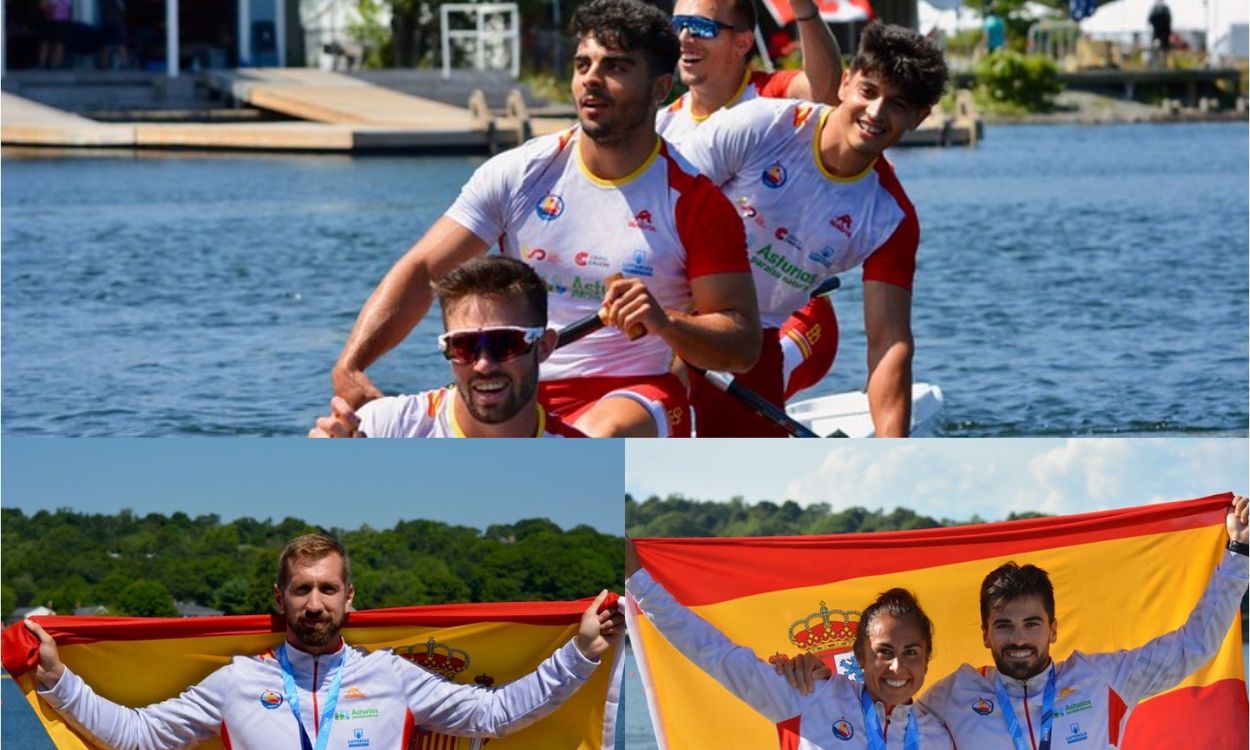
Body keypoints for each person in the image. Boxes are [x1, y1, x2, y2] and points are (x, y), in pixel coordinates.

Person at [331, 0, 760, 438]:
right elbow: (423, 270)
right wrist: (351, 366)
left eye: (616, 66)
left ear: (659, 87)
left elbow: (742, 345)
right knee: (349, 431)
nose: (591, 78)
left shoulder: (696, 203)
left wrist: (666, 321)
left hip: (633, 392)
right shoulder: (519, 173)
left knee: (596, 437)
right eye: (582, 64)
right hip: (513, 377)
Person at [25, 533, 623, 750]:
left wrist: (581, 653)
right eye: (302, 589)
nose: (315, 604)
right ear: (280, 597)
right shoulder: (237, 681)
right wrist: (55, 678)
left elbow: (495, 714)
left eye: (327, 589)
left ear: (349, 599)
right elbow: (137, 735)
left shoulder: (393, 675)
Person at [780, 496, 1250, 747]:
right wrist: (820, 673)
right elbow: (882, 698)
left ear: (1053, 629)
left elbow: (1193, 647)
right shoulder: (952, 696)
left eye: (1031, 624)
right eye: (1005, 625)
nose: (1019, 638)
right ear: (985, 633)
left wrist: (1239, 555)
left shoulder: (1102, 679)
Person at [677, 22, 947, 436]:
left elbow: (888, 343)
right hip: (670, 306)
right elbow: (656, 204)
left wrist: (895, 448)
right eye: (869, 92)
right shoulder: (762, 126)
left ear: (919, 117)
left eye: (897, 105)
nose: (875, 113)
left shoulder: (891, 218)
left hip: (752, 341)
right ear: (844, 83)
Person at [625, 540, 955, 747]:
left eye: (911, 652)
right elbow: (712, 651)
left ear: (927, 659)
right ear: (860, 656)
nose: (897, 666)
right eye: (884, 652)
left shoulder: (941, 733)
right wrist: (637, 581)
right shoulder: (809, 694)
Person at [310, 256, 585, 437]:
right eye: (464, 346)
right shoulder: (382, 426)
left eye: (505, 344)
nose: (483, 364)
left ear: (545, 346)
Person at [660, 0, 842, 148]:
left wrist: (802, 6)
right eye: (677, 25)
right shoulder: (661, 126)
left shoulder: (772, 95)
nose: (683, 39)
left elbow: (825, 91)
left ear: (742, 43)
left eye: (700, 27)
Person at [1148, 0, 1171, 66]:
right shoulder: (1162, 8)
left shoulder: (1157, 8)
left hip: (1160, 31)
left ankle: (1161, 63)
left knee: (1162, 49)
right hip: (1161, 31)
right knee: (1162, 49)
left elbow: (1150, 20)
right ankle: (1162, 63)